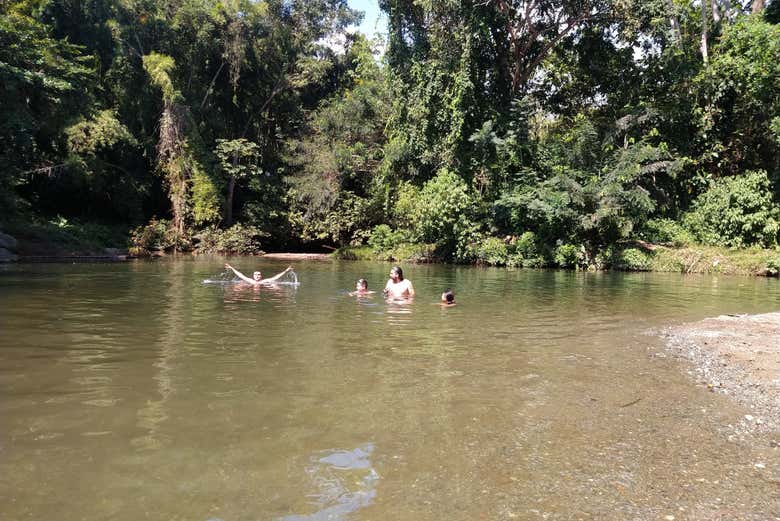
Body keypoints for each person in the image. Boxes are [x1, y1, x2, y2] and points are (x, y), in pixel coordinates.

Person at [224, 262, 293, 285]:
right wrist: (231, 268)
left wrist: (286, 271)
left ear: (261, 276)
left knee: (274, 286)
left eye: (258, 275)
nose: (257, 276)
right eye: (256, 274)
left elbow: (276, 277)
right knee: (240, 285)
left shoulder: (264, 281)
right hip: (248, 286)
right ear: (253, 276)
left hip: (263, 287)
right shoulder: (250, 281)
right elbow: (240, 275)